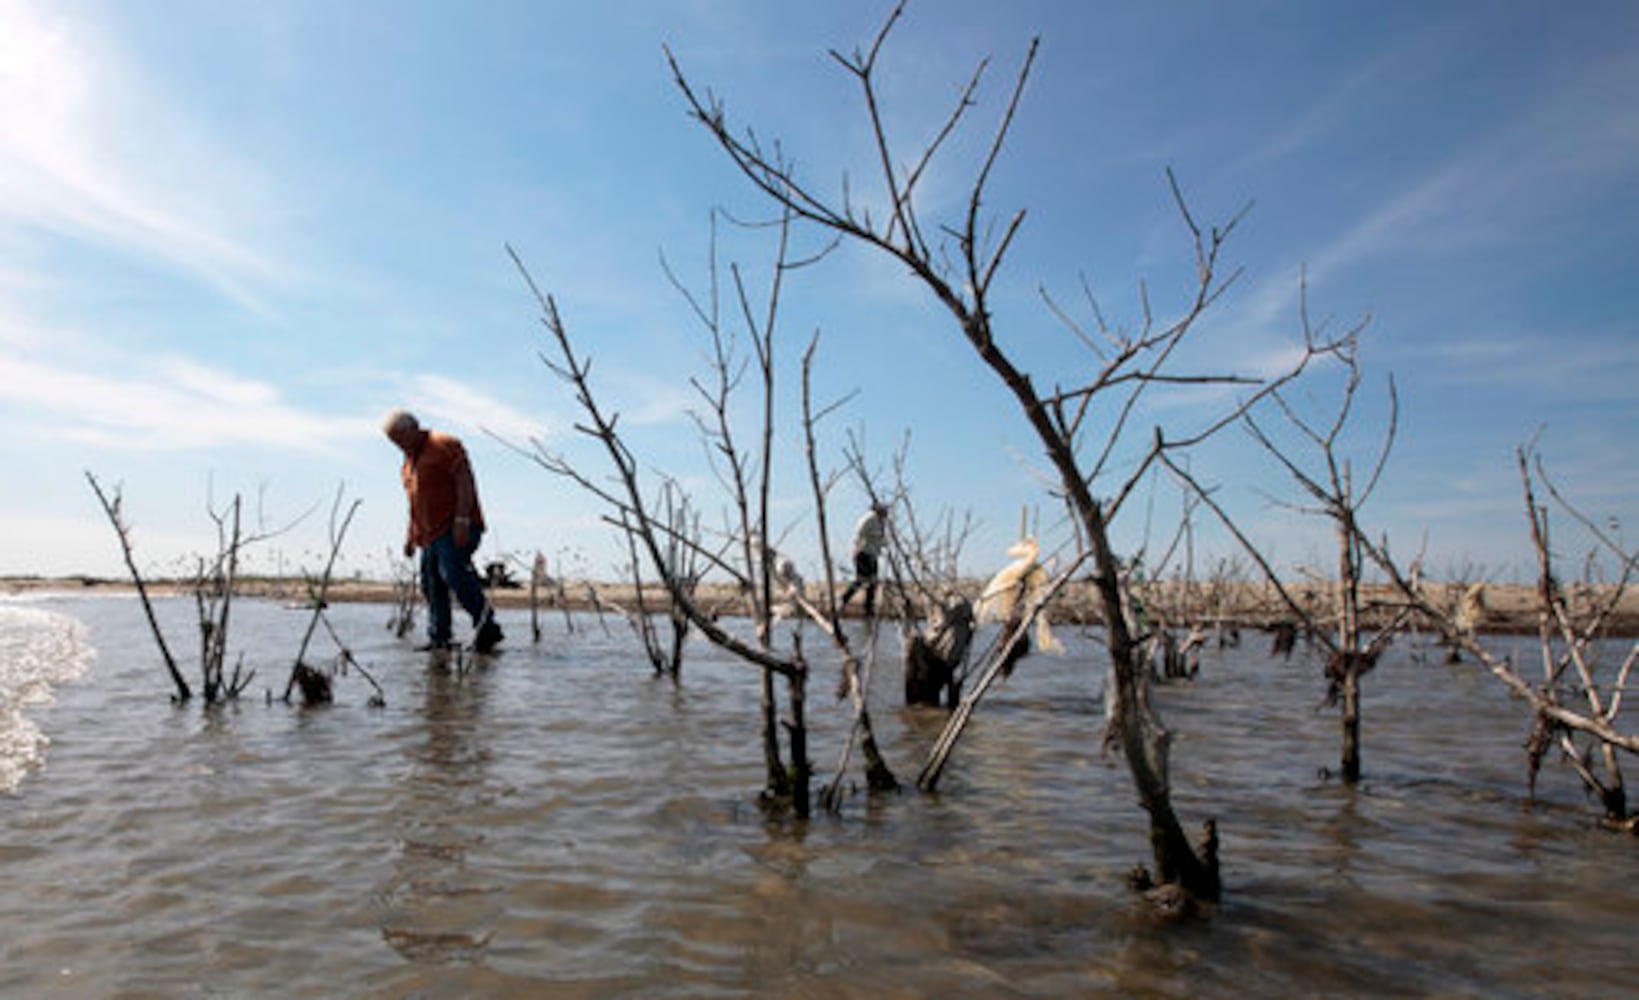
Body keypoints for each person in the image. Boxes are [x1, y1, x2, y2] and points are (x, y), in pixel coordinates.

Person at [383, 409, 503, 653]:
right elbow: (415, 504)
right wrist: (410, 537)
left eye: (400, 439)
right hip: (428, 535)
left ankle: (487, 627)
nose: (398, 446)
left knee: (453, 574)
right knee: (430, 584)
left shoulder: (444, 445)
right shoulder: (407, 464)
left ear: (414, 430)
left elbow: (465, 481)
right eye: (393, 442)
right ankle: (440, 638)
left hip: (456, 526)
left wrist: (462, 520)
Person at [839, 501, 889, 617]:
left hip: (873, 555)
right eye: (884, 510)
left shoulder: (881, 522)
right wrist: (858, 549)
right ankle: (843, 600)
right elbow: (859, 534)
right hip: (863, 553)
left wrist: (885, 545)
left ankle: (868, 609)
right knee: (862, 580)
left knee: (873, 582)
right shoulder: (868, 519)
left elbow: (881, 539)